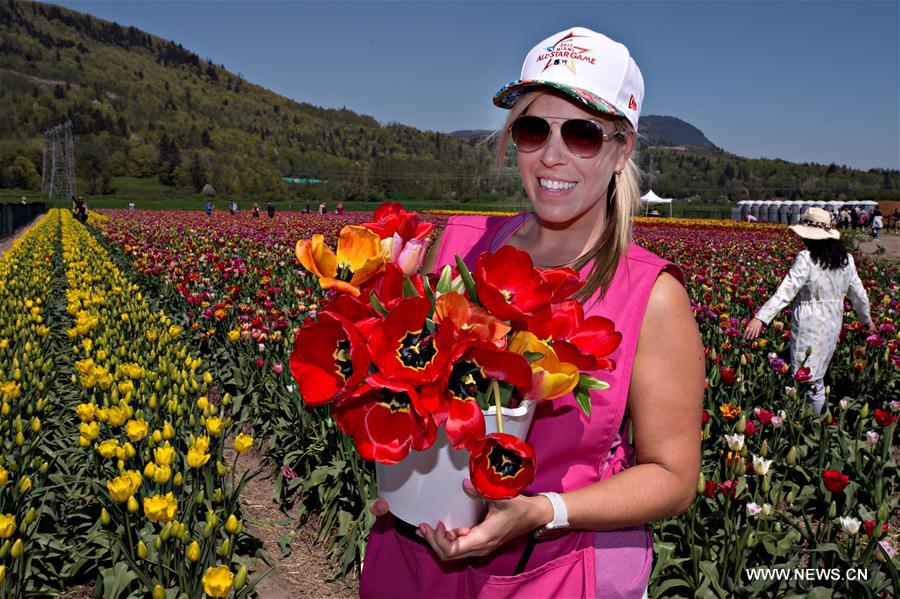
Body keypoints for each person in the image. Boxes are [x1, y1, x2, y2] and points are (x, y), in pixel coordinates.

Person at [361, 27, 704, 599]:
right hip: (418, 559)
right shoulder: (460, 248)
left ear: (623, 149)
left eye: (583, 134)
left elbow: (673, 478)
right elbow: (419, 393)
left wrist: (543, 511)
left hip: (558, 572)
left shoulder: (651, 294)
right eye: (532, 127)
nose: (552, 153)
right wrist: (403, 479)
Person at [744, 207, 875, 415]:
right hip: (833, 323)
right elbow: (859, 295)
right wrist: (866, 320)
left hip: (809, 322)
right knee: (800, 366)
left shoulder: (807, 258)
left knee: (811, 379)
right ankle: (790, 412)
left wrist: (761, 318)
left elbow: (785, 292)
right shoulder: (845, 259)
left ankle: (814, 425)